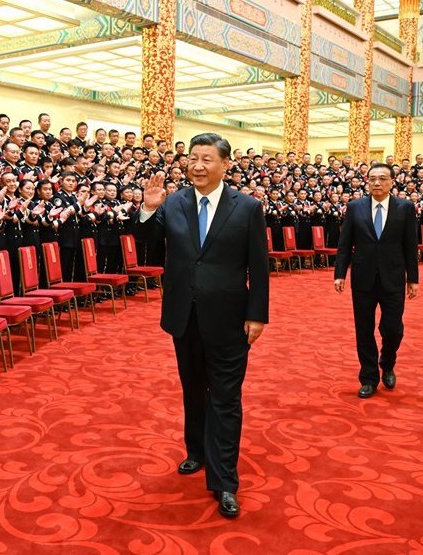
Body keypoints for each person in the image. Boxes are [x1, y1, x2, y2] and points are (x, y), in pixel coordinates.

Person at [138, 133, 269, 519]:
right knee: (193, 389)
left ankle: (224, 480)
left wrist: (257, 314)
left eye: (206, 159)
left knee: (225, 398)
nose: (197, 165)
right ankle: (196, 450)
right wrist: (148, 211)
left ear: (225, 164)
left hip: (230, 319)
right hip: (184, 315)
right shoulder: (173, 202)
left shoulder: (247, 207)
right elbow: (149, 247)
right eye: (193, 158)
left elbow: (258, 265)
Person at [333, 162, 419, 399]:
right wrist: (340, 273)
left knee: (393, 329)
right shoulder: (355, 207)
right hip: (363, 278)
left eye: (382, 178)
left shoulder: (405, 208)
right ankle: (369, 377)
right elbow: (344, 244)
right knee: (364, 329)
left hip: (393, 277)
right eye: (372, 179)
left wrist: (413, 278)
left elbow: (410, 246)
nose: (377, 183)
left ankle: (387, 363)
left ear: (392, 182)